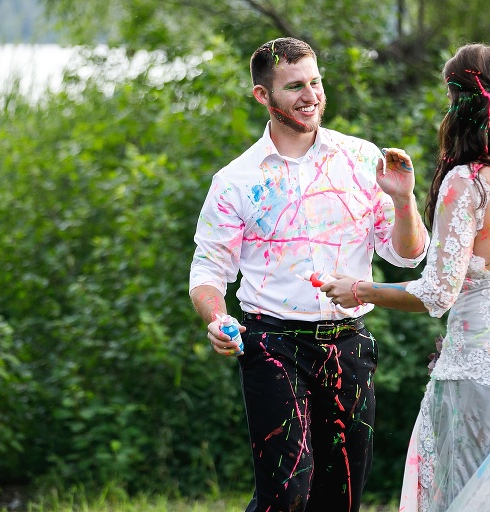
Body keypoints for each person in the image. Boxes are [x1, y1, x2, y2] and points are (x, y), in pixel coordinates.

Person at [323, 43, 490, 512]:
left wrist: (359, 290)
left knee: (465, 493)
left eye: (450, 97)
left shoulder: (466, 181)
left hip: (485, 369)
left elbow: (438, 292)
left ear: (464, 103)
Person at [188, 37, 429, 512]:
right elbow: (208, 270)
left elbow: (408, 255)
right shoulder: (235, 179)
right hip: (271, 344)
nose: (311, 95)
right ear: (263, 96)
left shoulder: (362, 158)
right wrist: (216, 317)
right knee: (286, 494)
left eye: (315, 82)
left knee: (341, 497)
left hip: (349, 343)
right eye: (294, 86)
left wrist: (403, 200)